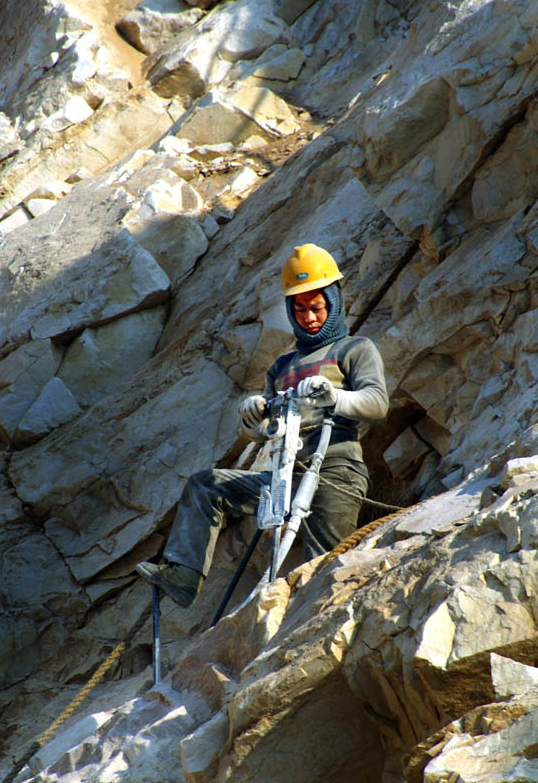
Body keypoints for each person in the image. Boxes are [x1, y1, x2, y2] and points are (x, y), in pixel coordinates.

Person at [136, 243, 389, 607]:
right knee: (206, 485)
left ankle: (321, 617)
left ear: (333, 301)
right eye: (299, 309)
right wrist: (253, 417)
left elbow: (377, 402)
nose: (309, 317)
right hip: (285, 474)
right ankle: (183, 575)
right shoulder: (281, 366)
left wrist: (334, 396)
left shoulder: (354, 349)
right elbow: (262, 432)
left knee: (324, 567)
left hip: (335, 468)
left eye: (317, 307)